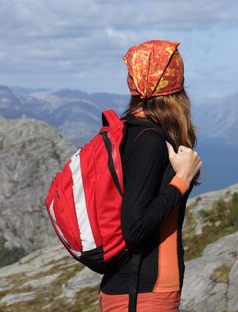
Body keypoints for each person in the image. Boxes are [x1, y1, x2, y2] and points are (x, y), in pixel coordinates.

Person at [98, 40, 202, 312]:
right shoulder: (149, 140)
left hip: (136, 291)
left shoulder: (130, 132)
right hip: (144, 294)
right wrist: (181, 180)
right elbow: (135, 227)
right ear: (177, 89)